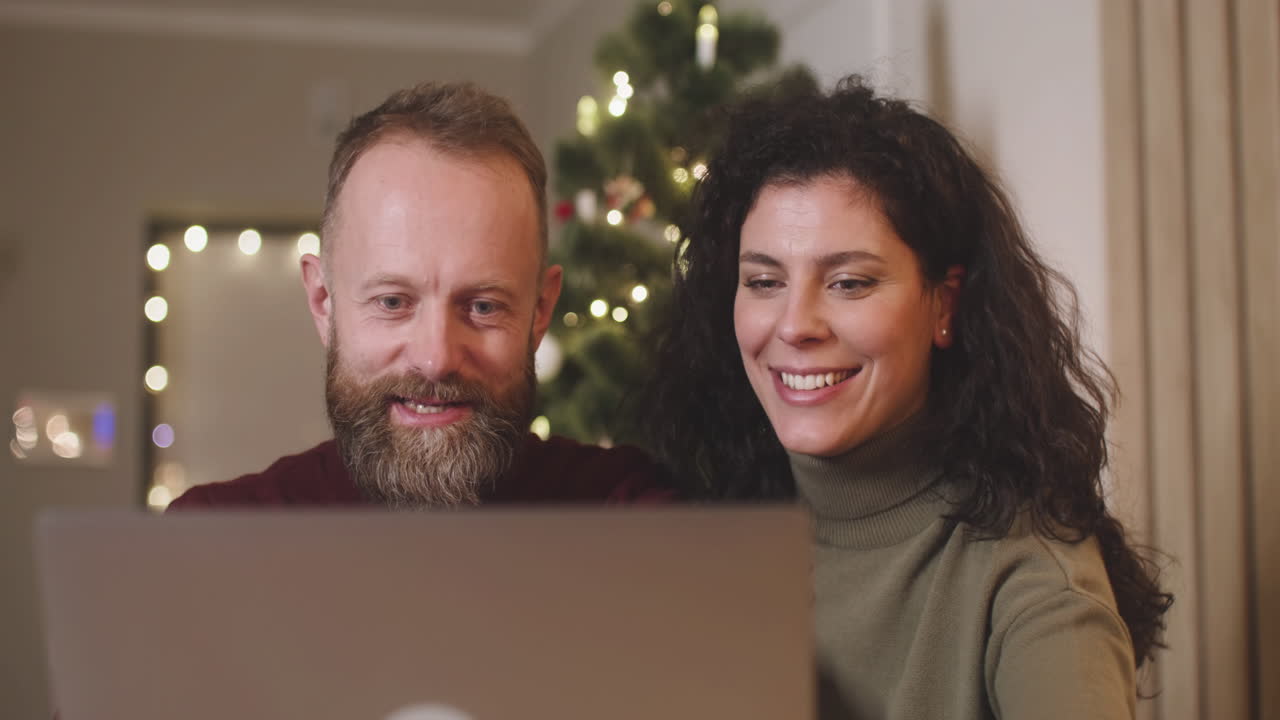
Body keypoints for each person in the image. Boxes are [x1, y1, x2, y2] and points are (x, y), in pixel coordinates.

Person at [639, 76, 1172, 719]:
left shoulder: (1035, 584)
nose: (794, 325)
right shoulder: (713, 525)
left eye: (849, 282)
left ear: (943, 305)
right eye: (763, 280)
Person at [172, 81, 669, 509]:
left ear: (540, 310)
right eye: (393, 302)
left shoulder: (627, 516)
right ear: (324, 301)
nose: (435, 360)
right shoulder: (215, 539)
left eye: (482, 306)